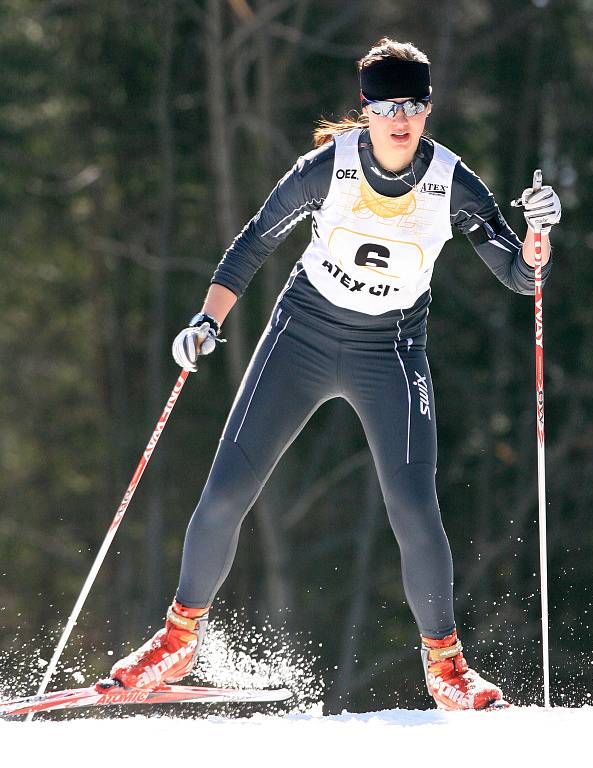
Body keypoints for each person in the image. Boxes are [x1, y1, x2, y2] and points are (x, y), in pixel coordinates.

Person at [104, 38, 561, 710]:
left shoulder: (453, 182)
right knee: (227, 492)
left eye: (412, 104)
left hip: (392, 351)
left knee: (413, 507)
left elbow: (521, 278)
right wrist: (206, 322)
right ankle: (175, 641)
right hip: (303, 339)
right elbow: (255, 241)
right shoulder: (327, 169)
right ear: (366, 109)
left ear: (428, 108)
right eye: (385, 105)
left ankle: (447, 668)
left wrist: (535, 240)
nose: (399, 118)